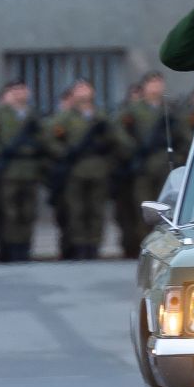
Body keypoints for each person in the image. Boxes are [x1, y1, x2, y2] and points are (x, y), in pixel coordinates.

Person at [45, 79, 132, 261]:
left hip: (99, 170)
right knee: (76, 211)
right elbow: (49, 140)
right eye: (79, 89)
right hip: (74, 171)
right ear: (73, 94)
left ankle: (94, 246)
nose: (83, 92)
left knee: (96, 210)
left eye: (86, 88)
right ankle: (79, 247)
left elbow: (119, 140)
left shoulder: (101, 117)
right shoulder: (65, 117)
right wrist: (64, 153)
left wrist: (108, 139)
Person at [0, 80, 45, 263]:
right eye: (15, 90)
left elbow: (45, 139)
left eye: (22, 90)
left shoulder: (33, 116)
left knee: (28, 212)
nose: (19, 93)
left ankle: (25, 248)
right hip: (8, 171)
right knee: (10, 212)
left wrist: (37, 147)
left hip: (29, 171)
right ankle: (11, 250)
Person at [115, 72, 177, 257]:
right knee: (144, 210)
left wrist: (177, 155)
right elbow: (118, 131)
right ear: (144, 87)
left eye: (159, 82)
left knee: (169, 210)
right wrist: (133, 149)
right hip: (143, 168)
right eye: (152, 83)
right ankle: (147, 250)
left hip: (165, 167)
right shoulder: (133, 110)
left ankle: (168, 249)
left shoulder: (170, 109)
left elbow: (183, 134)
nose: (156, 86)